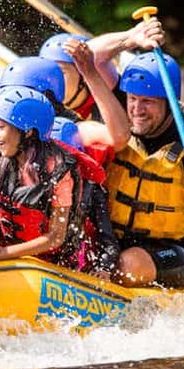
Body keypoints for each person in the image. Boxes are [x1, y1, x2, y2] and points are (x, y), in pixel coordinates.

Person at [104, 52, 184, 288]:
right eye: (133, 99)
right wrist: (131, 38)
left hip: (179, 250)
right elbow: (92, 61)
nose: (137, 110)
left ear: (169, 101)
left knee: (128, 266)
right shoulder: (119, 119)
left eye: (148, 102)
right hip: (117, 239)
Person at [0, 87, 99, 274]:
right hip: (11, 252)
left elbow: (56, 237)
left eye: (0, 126)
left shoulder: (59, 173)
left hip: (53, 264)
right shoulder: (0, 160)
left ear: (28, 132)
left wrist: (3, 252)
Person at [39, 17, 165, 120]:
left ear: (82, 73)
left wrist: (131, 37)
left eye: (61, 71)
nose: (53, 79)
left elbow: (93, 53)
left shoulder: (104, 84)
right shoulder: (50, 111)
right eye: (49, 72)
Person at [50, 117, 119, 278]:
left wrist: (105, 268)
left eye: (65, 159)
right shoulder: (31, 184)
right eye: (52, 158)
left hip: (76, 261)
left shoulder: (92, 191)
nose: (58, 167)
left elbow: (108, 240)